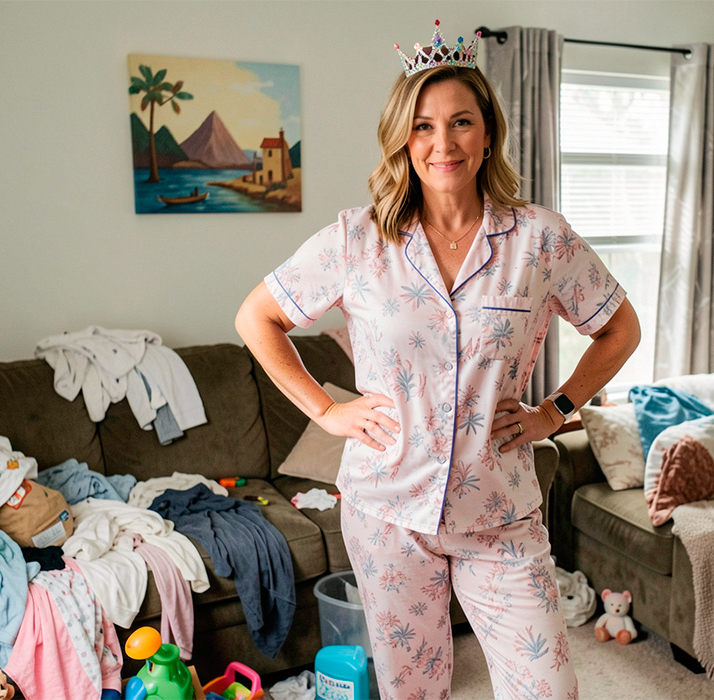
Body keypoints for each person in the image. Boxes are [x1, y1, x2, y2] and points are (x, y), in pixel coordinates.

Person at [235, 20, 640, 699]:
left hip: (500, 509)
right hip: (388, 512)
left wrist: (555, 411)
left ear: (487, 134)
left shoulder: (539, 240)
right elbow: (257, 318)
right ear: (402, 137)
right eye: (423, 126)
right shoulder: (357, 239)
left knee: (548, 688)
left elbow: (620, 328)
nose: (442, 143)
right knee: (413, 691)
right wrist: (327, 411)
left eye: (460, 122)